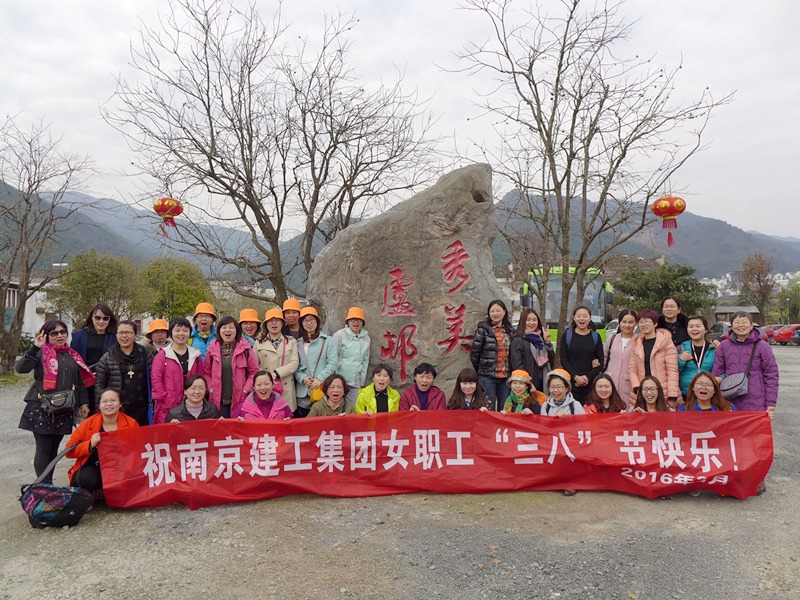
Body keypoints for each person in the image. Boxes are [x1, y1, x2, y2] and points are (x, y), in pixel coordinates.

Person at [16, 320, 93, 483]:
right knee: (43, 449)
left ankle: (47, 483)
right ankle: (44, 485)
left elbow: (79, 382)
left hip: (63, 409)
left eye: (63, 332)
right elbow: (21, 369)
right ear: (46, 335)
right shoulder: (41, 352)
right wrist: (35, 347)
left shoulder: (72, 355)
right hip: (41, 408)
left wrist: (84, 403)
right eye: (54, 333)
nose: (60, 336)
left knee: (54, 450)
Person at [712, 311, 777, 496]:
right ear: (731, 325)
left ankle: (757, 478)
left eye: (744, 322)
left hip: (755, 401)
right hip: (730, 400)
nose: (740, 325)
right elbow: (717, 372)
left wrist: (770, 404)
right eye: (737, 322)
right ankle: (732, 478)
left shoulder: (762, 347)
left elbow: (772, 375)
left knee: (754, 440)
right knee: (730, 439)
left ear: (751, 325)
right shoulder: (724, 346)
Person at [66, 389, 139, 493]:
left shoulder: (131, 423)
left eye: (113, 400)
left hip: (121, 466)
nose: (108, 404)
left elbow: (138, 450)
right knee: (86, 479)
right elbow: (69, 451)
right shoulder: (88, 423)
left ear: (120, 404)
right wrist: (90, 444)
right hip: (94, 466)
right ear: (99, 406)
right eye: (104, 401)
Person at [93, 320, 155, 426]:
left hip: (143, 408)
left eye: (128, 332)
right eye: (121, 332)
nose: (124, 336)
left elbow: (154, 379)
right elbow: (99, 386)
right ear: (116, 334)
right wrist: (100, 410)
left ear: (135, 334)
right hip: (118, 409)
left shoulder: (145, 354)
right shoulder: (108, 358)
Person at [204, 315, 260, 418]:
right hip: (218, 400)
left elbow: (254, 372)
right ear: (219, 331)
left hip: (240, 399)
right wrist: (211, 387)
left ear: (237, 330)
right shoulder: (212, 349)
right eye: (224, 327)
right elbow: (206, 372)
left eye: (231, 327)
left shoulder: (246, 349)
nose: (227, 330)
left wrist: (245, 390)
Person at [539, 369, 584, 497]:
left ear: (567, 388)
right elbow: (542, 428)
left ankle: (570, 482)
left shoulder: (575, 405)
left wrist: (567, 421)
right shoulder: (545, 406)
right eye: (552, 387)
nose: (556, 391)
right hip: (551, 441)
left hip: (570, 442)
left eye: (559, 387)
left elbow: (583, 426)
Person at [151, 317, 204, 424]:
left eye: (185, 330)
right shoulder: (162, 355)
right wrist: (165, 399)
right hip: (168, 405)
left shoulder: (195, 354)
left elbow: (200, 378)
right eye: (177, 330)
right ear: (171, 332)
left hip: (192, 404)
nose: (181, 333)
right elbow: (156, 380)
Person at [70, 302, 117, 413]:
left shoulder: (115, 337)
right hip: (85, 382)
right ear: (92, 317)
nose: (101, 321)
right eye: (97, 318)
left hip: (108, 381)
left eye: (105, 318)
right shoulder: (79, 337)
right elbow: (73, 359)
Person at [629, 308, 681, 409]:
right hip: (643, 391)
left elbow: (672, 370)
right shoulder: (636, 343)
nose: (643, 324)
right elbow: (632, 369)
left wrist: (672, 394)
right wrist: (637, 387)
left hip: (663, 390)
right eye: (641, 322)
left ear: (655, 324)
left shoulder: (666, 342)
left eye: (647, 321)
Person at [470, 299, 513, 411]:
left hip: (505, 377)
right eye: (492, 311)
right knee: (488, 408)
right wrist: (483, 369)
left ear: (504, 312)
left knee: (505, 409)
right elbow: (474, 354)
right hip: (487, 377)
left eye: (498, 311)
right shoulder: (483, 330)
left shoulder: (509, 331)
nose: (495, 314)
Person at [295, 306, 337, 418]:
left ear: (317, 322)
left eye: (312, 319)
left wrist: (319, 379)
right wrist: (302, 378)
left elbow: (332, 363)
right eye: (306, 320)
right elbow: (294, 365)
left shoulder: (328, 341)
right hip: (303, 391)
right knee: (302, 423)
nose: (309, 323)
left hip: (321, 388)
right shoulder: (297, 343)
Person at [255, 308, 300, 413]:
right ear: (266, 324)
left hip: (286, 387)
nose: (274, 323)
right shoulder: (258, 342)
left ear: (282, 323)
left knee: (287, 417)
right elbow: (254, 365)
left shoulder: (291, 341)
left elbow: (294, 363)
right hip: (266, 388)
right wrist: (267, 377)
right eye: (270, 321)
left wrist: (276, 374)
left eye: (277, 320)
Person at [558, 305, 604, 405]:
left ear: (590, 318)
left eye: (585, 316)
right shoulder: (567, 336)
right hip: (571, 384)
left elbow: (601, 362)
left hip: (590, 384)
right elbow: (564, 359)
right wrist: (575, 377)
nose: (582, 319)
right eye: (578, 316)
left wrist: (587, 377)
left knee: (589, 411)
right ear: (574, 318)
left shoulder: (595, 336)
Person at [509, 308, 554, 394]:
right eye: (528, 320)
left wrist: (548, 343)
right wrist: (528, 383)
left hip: (543, 383)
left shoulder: (541, 339)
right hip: (527, 385)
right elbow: (517, 366)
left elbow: (552, 361)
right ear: (523, 322)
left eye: (534, 320)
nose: (531, 323)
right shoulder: (518, 340)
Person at [333, 306, 371, 408]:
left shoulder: (366, 338)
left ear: (363, 322)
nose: (355, 322)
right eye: (352, 319)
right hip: (339, 380)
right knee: (336, 408)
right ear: (348, 321)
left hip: (355, 382)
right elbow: (333, 358)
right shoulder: (339, 335)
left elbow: (365, 361)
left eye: (359, 319)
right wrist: (334, 379)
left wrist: (361, 382)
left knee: (352, 409)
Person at [603, 309, 638, 406]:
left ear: (635, 323)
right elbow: (605, 357)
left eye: (631, 322)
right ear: (619, 322)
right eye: (624, 322)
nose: (627, 325)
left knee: (627, 410)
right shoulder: (612, 338)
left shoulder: (639, 340)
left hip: (629, 384)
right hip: (610, 382)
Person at [677, 316, 716, 398]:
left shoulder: (714, 349)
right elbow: (672, 371)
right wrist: (681, 360)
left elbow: (722, 370)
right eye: (691, 326)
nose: (694, 329)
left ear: (706, 329)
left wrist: (717, 380)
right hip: (686, 393)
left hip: (708, 393)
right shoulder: (681, 348)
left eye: (698, 326)